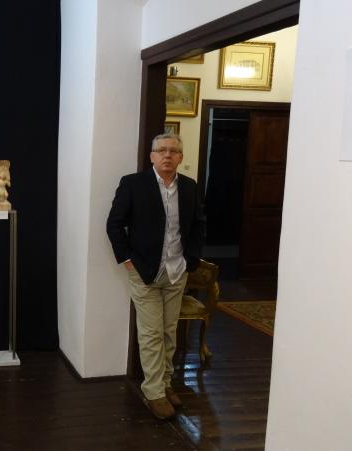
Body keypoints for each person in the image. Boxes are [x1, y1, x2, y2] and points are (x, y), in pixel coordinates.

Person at [106, 133, 204, 420]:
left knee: (169, 332)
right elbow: (114, 224)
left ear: (181, 157)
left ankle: (165, 382)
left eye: (173, 151)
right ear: (152, 156)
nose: (167, 155)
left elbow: (198, 225)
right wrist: (127, 260)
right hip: (144, 271)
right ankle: (154, 392)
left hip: (176, 271)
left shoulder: (189, 187)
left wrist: (191, 259)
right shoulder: (133, 184)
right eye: (161, 150)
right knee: (151, 334)